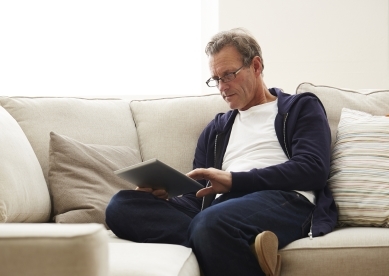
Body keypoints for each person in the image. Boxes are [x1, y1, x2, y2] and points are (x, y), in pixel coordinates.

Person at [106, 28, 338, 276]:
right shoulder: (216, 130)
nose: (222, 87)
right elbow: (199, 196)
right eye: (216, 79)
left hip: (285, 199)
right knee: (121, 206)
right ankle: (237, 245)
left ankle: (218, 237)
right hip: (220, 210)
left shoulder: (300, 107)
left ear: (256, 66)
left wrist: (234, 181)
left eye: (228, 75)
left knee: (211, 223)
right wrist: (165, 198)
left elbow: (313, 169)